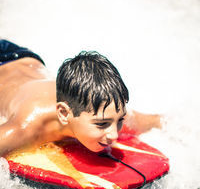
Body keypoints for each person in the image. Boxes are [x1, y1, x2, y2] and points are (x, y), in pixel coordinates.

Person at [0, 39, 161, 157]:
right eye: (102, 124)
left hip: (25, 58)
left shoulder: (108, 110)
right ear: (64, 113)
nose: (114, 135)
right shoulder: (26, 129)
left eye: (119, 121)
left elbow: (160, 122)